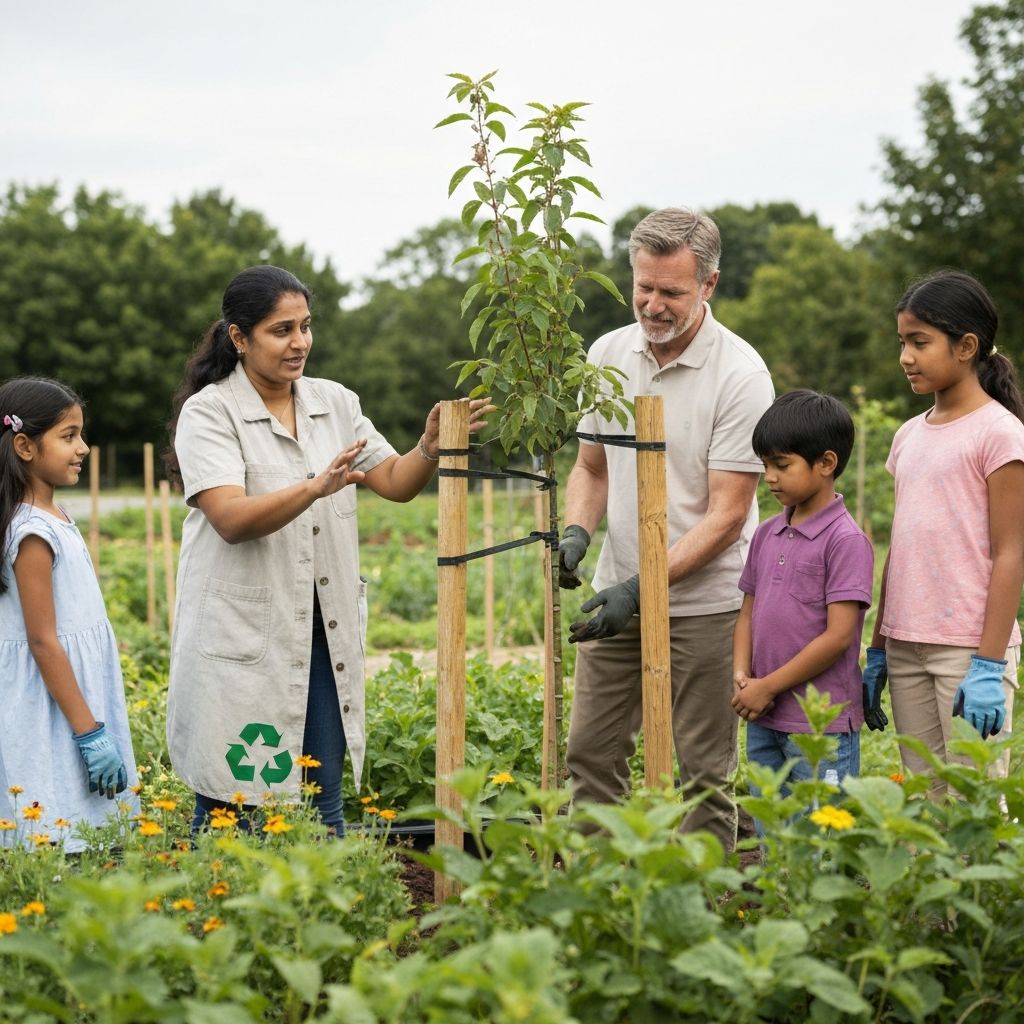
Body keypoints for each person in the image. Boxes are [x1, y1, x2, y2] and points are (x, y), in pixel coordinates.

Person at [165, 265, 491, 835]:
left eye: (306, 327)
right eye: (281, 330)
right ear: (239, 338)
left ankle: (328, 911)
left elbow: (392, 480)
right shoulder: (211, 412)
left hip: (321, 630)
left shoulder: (334, 403)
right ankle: (219, 912)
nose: (300, 344)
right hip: (246, 636)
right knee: (232, 804)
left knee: (322, 799)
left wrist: (428, 448)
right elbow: (229, 519)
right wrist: (314, 487)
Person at [559, 208, 774, 851]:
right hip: (616, 593)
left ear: (708, 285)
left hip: (707, 604)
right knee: (591, 755)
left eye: (671, 292)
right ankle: (599, 900)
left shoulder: (740, 375)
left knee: (705, 772)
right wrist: (576, 531)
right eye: (643, 287)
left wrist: (644, 586)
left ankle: (708, 907)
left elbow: (728, 513)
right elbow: (590, 469)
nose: (653, 305)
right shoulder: (607, 355)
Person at [863, 271, 1024, 790]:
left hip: (969, 649)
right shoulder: (909, 435)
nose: (905, 356)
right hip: (908, 643)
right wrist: (880, 645)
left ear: (966, 346)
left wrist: (987, 664)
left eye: (919, 342)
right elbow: (903, 549)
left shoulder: (1000, 434)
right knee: (923, 800)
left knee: (975, 800)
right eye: (902, 342)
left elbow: (1012, 554)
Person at [0, 377, 138, 850]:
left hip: (71, 690)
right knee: (51, 809)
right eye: (68, 435)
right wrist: (89, 733)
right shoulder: (32, 532)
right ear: (24, 445)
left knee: (77, 812)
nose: (83, 447)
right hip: (52, 700)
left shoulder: (54, 517)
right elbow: (42, 640)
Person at [731, 390, 873, 824]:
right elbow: (748, 612)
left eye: (782, 464)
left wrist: (769, 685)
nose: (769, 478)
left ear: (826, 464)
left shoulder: (846, 541)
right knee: (771, 823)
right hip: (764, 714)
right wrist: (742, 676)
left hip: (819, 725)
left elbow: (838, 637)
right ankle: (781, 895)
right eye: (765, 466)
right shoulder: (766, 533)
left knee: (820, 834)